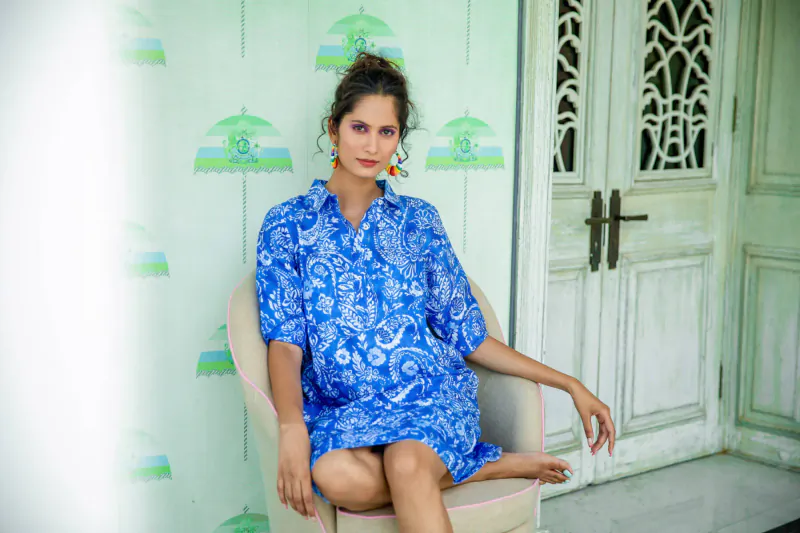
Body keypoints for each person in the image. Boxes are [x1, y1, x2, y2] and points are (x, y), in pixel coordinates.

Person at [256, 52, 616, 533]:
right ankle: (485, 465)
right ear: (334, 128)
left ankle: (436, 464)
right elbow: (285, 343)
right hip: (345, 411)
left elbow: (470, 337)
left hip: (427, 397)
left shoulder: (419, 221)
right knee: (335, 477)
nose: (372, 145)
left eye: (387, 132)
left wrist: (570, 384)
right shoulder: (287, 225)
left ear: (399, 139)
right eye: (360, 128)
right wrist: (291, 426)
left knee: (406, 464)